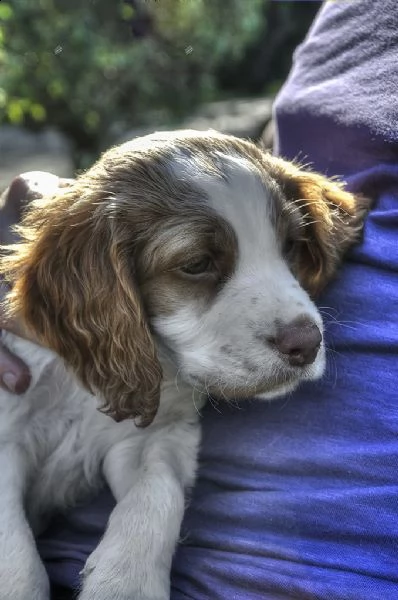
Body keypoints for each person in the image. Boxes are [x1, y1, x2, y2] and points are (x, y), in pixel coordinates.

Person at [1, 0, 397, 598]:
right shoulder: (63, 308)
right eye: (196, 265)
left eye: (286, 247)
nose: (300, 326)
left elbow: (151, 439)